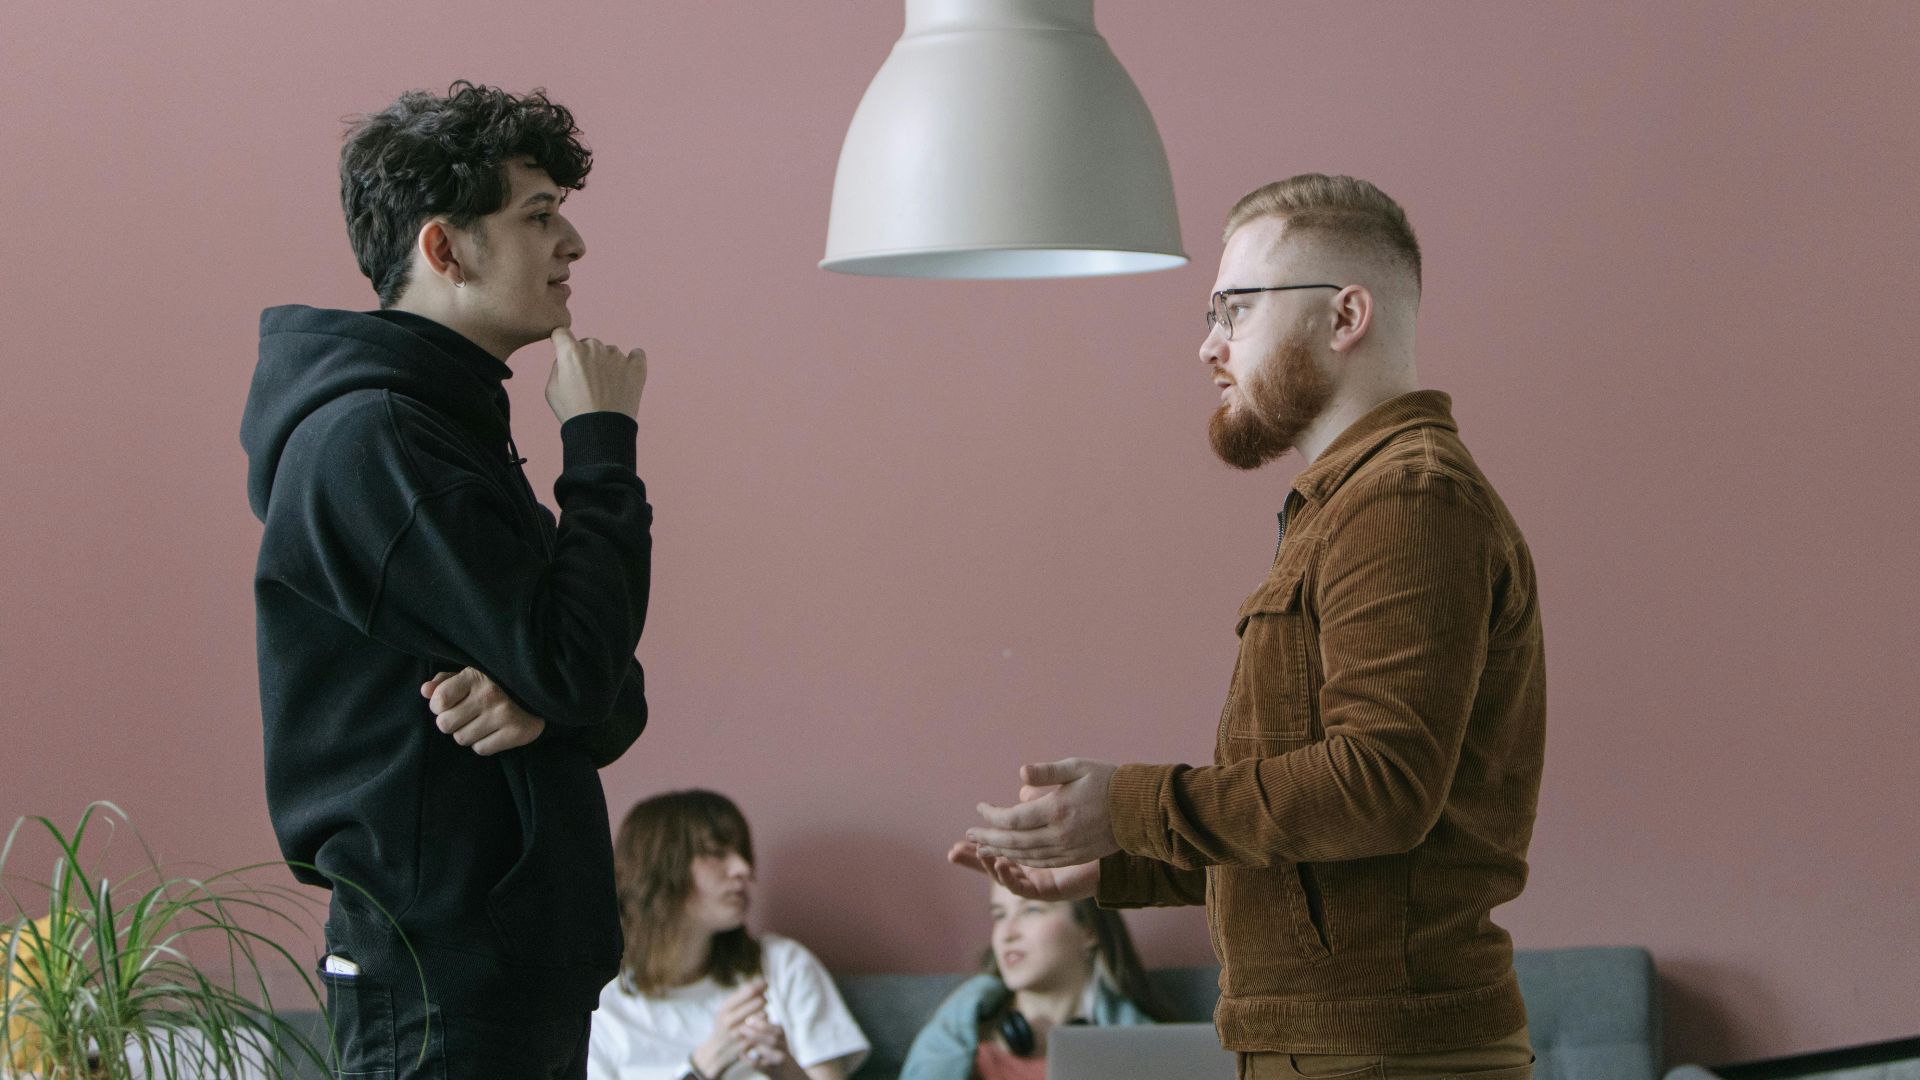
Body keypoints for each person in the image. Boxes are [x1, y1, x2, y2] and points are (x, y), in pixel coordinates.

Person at [952, 174, 1545, 1079]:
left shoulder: (1406, 499)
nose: (1206, 346)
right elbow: (1317, 850)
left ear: (1345, 316)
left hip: (1386, 1057)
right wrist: (1115, 860)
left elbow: (1379, 787)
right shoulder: (1348, 505)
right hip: (1333, 1052)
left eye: (1234, 309)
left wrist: (1129, 804)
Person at [240, 81, 653, 1078]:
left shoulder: (441, 425)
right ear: (445, 248)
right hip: (442, 983)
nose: (573, 246)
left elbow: (603, 693)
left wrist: (550, 704)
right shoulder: (378, 439)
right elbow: (579, 663)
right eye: (539, 215)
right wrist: (600, 447)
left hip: (500, 973)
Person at [588, 790, 870, 1080]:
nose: (743, 869)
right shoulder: (599, 1004)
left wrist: (785, 1070)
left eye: (741, 853)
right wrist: (702, 1067)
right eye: (717, 853)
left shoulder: (783, 965)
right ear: (660, 866)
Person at [900, 883, 1159, 1080]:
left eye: (1031, 909)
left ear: (1089, 931)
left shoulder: (1145, 1045)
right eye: (999, 915)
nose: (1008, 933)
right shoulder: (959, 1038)